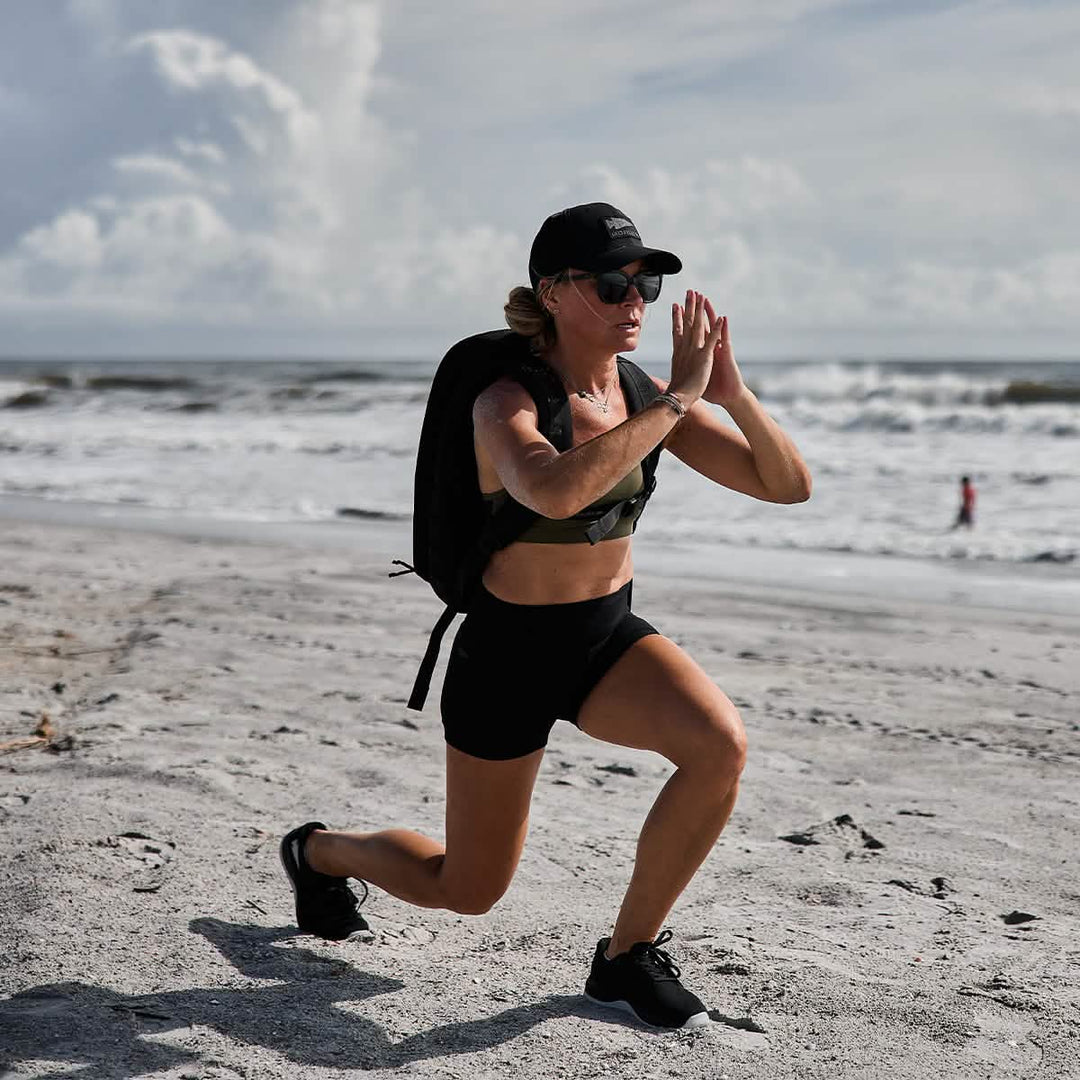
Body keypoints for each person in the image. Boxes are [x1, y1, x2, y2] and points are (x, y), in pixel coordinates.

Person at [280, 202, 812, 1030]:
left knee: (719, 749)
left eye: (647, 282)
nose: (634, 300)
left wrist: (734, 398)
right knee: (467, 889)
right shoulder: (505, 401)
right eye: (611, 283)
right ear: (553, 292)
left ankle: (625, 956)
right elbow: (556, 489)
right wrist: (676, 403)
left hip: (605, 639)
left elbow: (786, 486)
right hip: (508, 657)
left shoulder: (640, 393)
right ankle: (318, 851)